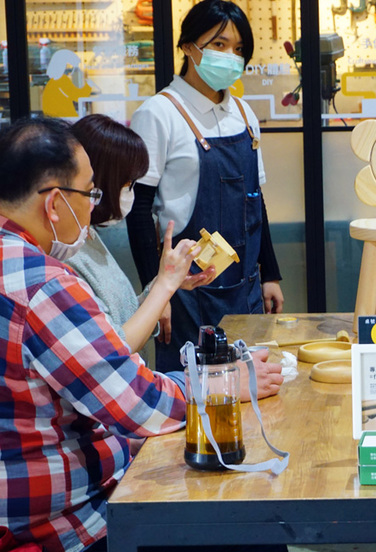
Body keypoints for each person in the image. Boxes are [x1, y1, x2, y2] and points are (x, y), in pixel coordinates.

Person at [0, 118, 186, 552]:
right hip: (65, 525)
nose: (95, 205)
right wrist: (224, 382)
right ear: (55, 203)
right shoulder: (42, 284)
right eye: (91, 193)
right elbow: (138, 405)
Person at [68, 114, 283, 401]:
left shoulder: (89, 237)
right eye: (126, 184)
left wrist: (170, 282)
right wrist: (163, 286)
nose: (129, 194)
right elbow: (112, 351)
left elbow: (119, 317)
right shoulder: (65, 257)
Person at [128, 0, 284, 373]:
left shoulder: (245, 115)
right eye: (219, 45)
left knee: (251, 388)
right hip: (187, 295)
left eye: (239, 49)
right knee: (194, 399)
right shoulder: (159, 113)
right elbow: (138, 210)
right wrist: (156, 293)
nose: (231, 56)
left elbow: (255, 203)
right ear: (187, 47)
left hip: (245, 289)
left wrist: (271, 273)